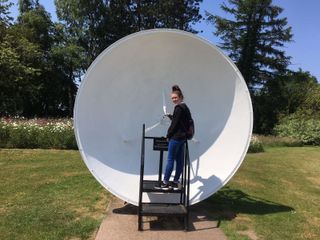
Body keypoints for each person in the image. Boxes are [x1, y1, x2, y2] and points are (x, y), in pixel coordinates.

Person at [156, 85, 192, 190]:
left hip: (176, 138)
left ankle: (165, 182)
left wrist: (168, 135)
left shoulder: (178, 108)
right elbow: (181, 121)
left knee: (170, 159)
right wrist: (171, 116)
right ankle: (176, 181)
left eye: (175, 98)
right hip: (183, 138)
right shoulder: (185, 107)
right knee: (180, 161)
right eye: (172, 98)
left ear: (180, 97)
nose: (173, 100)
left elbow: (174, 125)